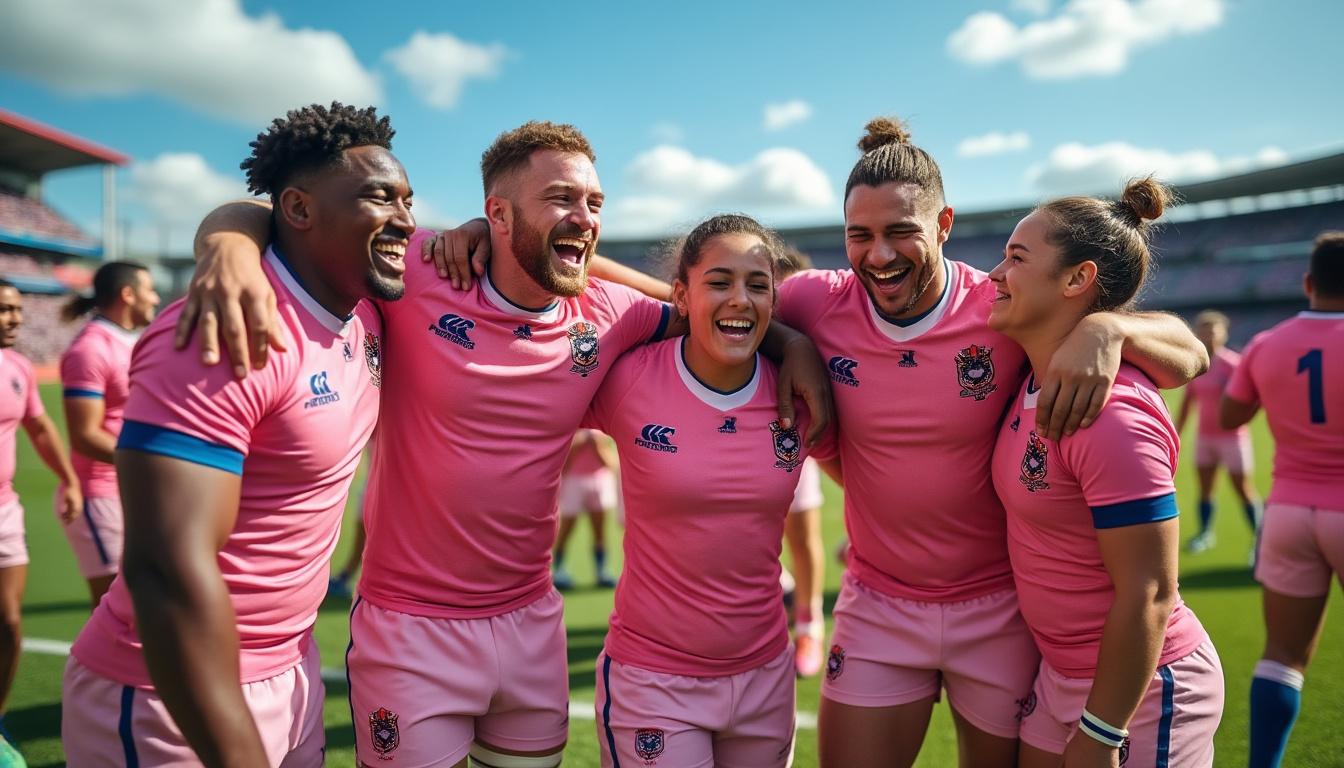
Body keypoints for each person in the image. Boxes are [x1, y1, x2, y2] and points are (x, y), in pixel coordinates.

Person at [180, 120, 830, 768]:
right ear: (496, 212)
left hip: (531, 626)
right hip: (410, 630)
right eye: (561, 199)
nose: (584, 217)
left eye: (594, 204)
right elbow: (284, 211)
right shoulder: (419, 267)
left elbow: (706, 308)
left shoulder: (613, 311)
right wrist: (228, 248)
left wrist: (792, 344)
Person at [771, 118, 1208, 768]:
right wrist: (791, 342)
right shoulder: (813, 303)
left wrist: (1110, 328)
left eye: (901, 233)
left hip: (1002, 609)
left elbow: (1192, 353)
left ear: (943, 224)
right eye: (859, 236)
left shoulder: (1001, 304)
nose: (879, 255)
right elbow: (704, 307)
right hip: (880, 602)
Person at [60, 101, 410, 767]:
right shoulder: (221, 334)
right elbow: (165, 572)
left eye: (407, 199)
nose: (406, 219)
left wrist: (227, 235)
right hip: (173, 689)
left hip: (294, 666)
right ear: (301, 210)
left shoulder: (368, 305)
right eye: (378, 197)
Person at [988, 178, 1223, 767]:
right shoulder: (1032, 375)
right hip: (1060, 678)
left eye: (1016, 258)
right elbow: (1190, 348)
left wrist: (1102, 731)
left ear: (1076, 280)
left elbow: (1150, 592)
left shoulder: (1110, 413)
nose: (994, 273)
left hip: (1138, 691)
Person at [590, 214, 826, 767]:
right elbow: (569, 275)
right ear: (681, 292)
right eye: (719, 282)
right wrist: (488, 233)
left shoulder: (802, 391)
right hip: (654, 680)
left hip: (766, 677)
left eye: (757, 285)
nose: (740, 299)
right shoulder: (627, 376)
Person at [1222, 231, 1344, 768]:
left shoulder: (1266, 343)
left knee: (1282, 658)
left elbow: (1229, 418)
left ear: (1308, 283)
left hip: (1289, 512)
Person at [0, 279, 81, 767]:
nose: (13, 318)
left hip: (6, 512)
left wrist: (68, 478)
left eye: (15, 309)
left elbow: (39, 427)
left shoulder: (19, 368)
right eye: (2, 310)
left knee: (8, 624)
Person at [58, 261, 160, 607]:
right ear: (128, 295)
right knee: (118, 611)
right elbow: (85, 435)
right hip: (100, 495)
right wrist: (154, 462)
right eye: (150, 289)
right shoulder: (91, 349)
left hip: (134, 487)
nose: (156, 297)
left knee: (147, 607)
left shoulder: (135, 340)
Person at [777, 247, 828, 678]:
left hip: (793, 435)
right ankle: (783, 590)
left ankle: (809, 624)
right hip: (728, 435)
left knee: (803, 534)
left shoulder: (815, 328)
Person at [1175, 310, 1261, 555]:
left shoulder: (1234, 364)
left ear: (1223, 334)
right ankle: (1205, 534)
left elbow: (1253, 399)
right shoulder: (1196, 366)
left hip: (1233, 439)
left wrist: (1242, 420)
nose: (1208, 335)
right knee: (1205, 489)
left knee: (1243, 489)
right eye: (1203, 330)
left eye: (1213, 331)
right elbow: (1187, 403)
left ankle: (1259, 540)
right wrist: (1177, 433)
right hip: (1205, 438)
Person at [553, 429, 619, 590]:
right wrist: (577, 444)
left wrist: (597, 446)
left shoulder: (600, 432)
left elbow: (611, 464)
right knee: (566, 529)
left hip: (599, 482)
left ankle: (602, 571)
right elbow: (562, 465)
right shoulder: (570, 430)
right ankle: (558, 570)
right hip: (573, 483)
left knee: (599, 530)